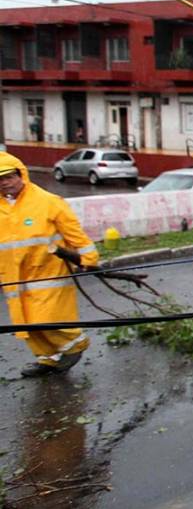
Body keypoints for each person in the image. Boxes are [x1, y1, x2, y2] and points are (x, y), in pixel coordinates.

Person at [0, 152, 99, 376]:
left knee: (46, 318)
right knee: (25, 324)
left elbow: (75, 234)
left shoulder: (47, 201)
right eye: (0, 179)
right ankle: (48, 359)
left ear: (21, 175)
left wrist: (89, 259)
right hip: (14, 277)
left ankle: (75, 344)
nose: (4, 182)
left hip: (47, 273)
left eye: (8, 177)